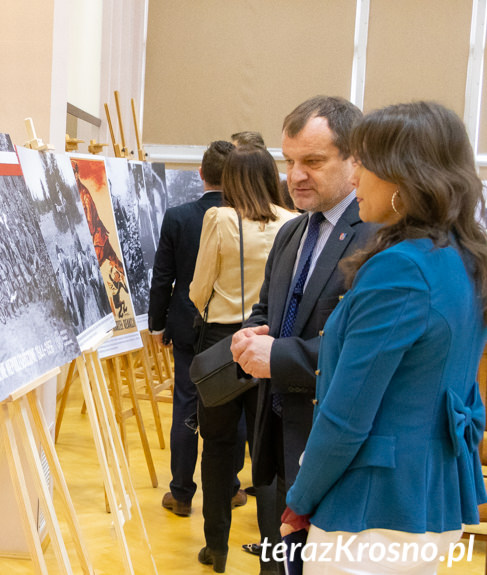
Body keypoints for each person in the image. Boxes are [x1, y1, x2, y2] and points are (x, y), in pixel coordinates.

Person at [282, 101, 487, 573]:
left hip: (372, 509)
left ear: (403, 179)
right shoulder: (462, 257)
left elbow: (347, 415)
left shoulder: (401, 269)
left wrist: (301, 497)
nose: (355, 178)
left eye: (365, 164)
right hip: (430, 496)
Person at [229, 96, 377, 574]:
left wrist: (279, 357)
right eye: (289, 161)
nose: (294, 176)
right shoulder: (292, 233)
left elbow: (361, 354)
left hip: (333, 455)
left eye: (312, 162)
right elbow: (267, 311)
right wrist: (250, 336)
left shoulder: (376, 238)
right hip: (276, 443)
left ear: (355, 159)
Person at [188, 145, 297, 571]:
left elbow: (200, 287)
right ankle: (273, 556)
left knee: (216, 447)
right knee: (266, 454)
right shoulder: (294, 221)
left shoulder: (220, 218)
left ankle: (216, 547)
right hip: (273, 344)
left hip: (224, 341)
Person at [148, 140, 234, 517]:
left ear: (201, 174)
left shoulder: (178, 216)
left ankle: (181, 493)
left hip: (186, 325)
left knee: (186, 405)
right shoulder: (245, 219)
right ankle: (230, 487)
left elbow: (162, 276)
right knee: (232, 407)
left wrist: (156, 323)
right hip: (231, 328)